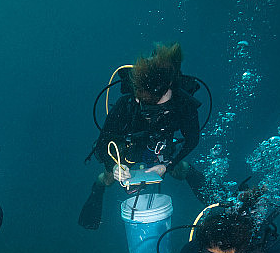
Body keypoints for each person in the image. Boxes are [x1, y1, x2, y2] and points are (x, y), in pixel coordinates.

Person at [78, 42, 207, 230]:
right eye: (150, 109)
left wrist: (168, 164)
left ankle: (216, 199)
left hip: (160, 144)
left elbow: (192, 139)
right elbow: (103, 143)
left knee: (180, 169)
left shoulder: (183, 103)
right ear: (138, 97)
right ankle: (98, 187)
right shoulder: (126, 104)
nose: (159, 114)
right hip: (129, 145)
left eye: (164, 107)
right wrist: (115, 166)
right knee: (109, 178)